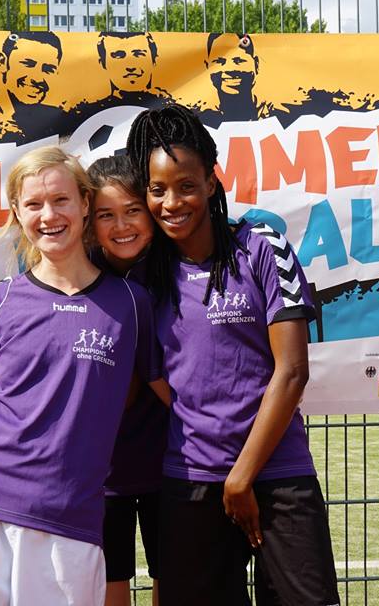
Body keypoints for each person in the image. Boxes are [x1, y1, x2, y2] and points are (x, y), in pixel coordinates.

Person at [0, 147, 168, 605]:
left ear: (85, 204)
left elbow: (175, 396)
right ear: (17, 213)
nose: (49, 215)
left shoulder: (132, 304)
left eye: (61, 200)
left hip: (69, 525)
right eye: (34, 204)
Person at [126, 105, 340, 605]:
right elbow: (157, 377)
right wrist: (204, 433)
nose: (172, 202)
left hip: (279, 476)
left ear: (211, 182)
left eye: (186, 185)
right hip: (191, 484)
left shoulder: (262, 247)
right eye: (157, 190)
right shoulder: (145, 279)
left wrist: (242, 474)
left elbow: (291, 372)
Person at [88, 155, 168, 606]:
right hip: (102, 475)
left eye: (133, 210)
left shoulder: (176, 272)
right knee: (107, 586)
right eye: (106, 215)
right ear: (88, 222)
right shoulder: (77, 279)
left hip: (173, 466)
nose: (122, 226)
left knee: (173, 579)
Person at [69, 32, 172, 122]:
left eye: (139, 54)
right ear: (103, 63)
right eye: (118, 56)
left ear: (154, 59)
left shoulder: (173, 107)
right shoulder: (83, 112)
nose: (130, 66)